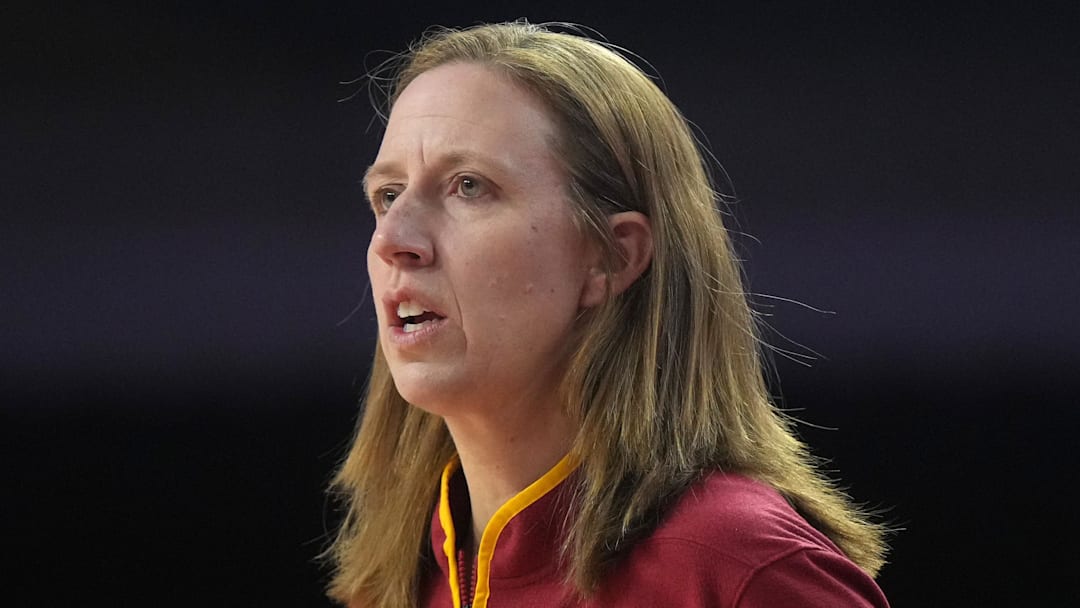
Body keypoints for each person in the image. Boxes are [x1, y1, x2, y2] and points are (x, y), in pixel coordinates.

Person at [326, 21, 891, 608]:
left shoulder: (742, 571)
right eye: (387, 194)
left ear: (611, 256)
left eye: (468, 186)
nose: (393, 237)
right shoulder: (396, 583)